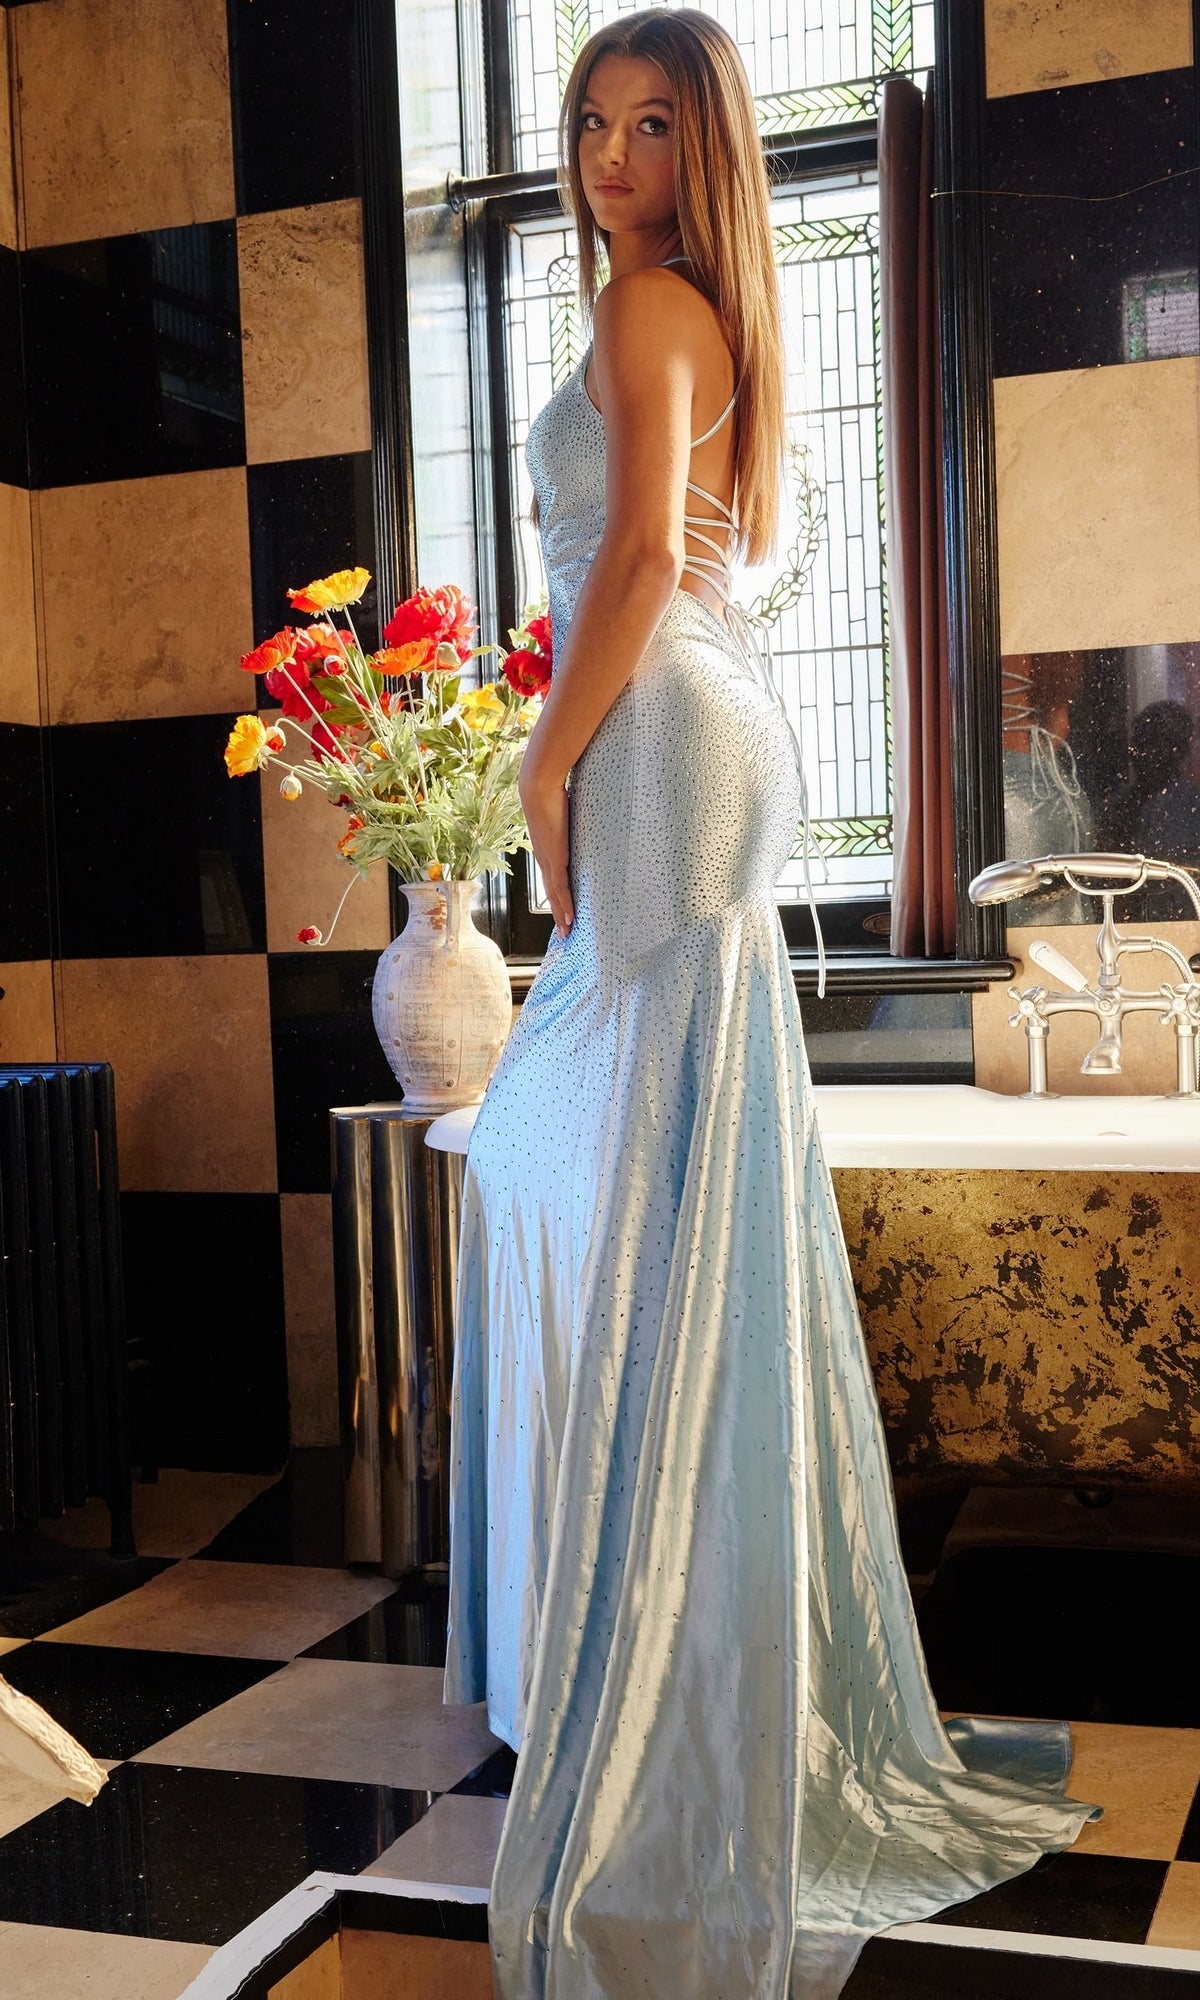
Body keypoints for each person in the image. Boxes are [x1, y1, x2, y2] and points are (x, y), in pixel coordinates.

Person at [442, 13, 1098, 1997]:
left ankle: (655, 1669)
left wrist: (544, 767)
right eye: (592, 122)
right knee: (613, 1170)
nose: (615, 155)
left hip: (652, 731)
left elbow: (636, 556)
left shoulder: (657, 307)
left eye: (655, 126)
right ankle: (638, 1640)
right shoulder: (664, 308)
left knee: (609, 1175)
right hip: (675, 726)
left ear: (704, 150)